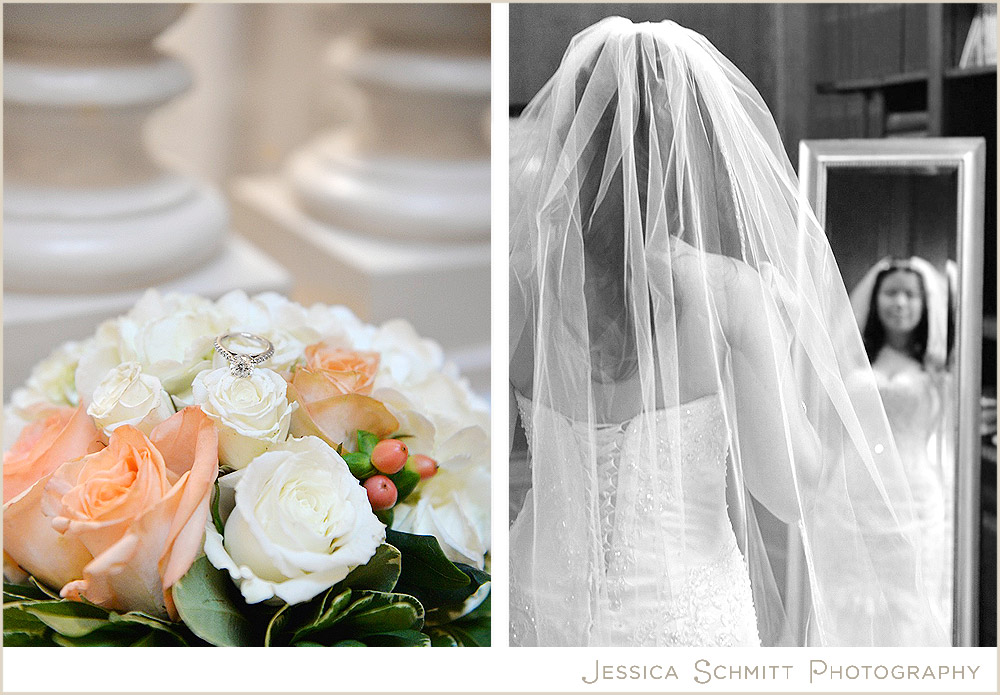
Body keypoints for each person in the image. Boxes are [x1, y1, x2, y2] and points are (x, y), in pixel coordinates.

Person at [509, 17, 949, 646]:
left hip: (537, 610)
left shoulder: (518, 289)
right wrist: (804, 360)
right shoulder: (733, 295)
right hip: (683, 618)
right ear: (690, 151)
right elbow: (790, 490)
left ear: (568, 143)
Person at [851, 256, 954, 633]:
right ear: (875, 299)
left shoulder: (939, 367)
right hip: (856, 494)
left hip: (916, 497)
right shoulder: (856, 355)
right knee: (853, 602)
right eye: (890, 293)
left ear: (925, 304)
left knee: (912, 605)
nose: (899, 303)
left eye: (910, 295)